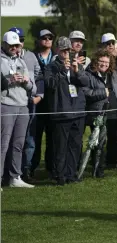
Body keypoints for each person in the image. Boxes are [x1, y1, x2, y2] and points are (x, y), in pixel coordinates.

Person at [44, 37, 89, 186]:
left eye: (68, 50)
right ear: (57, 50)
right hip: (61, 113)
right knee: (61, 147)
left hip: (78, 112)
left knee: (75, 146)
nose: (66, 53)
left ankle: (71, 174)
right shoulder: (51, 67)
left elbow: (85, 83)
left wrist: (77, 71)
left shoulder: (76, 64)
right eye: (63, 50)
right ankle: (60, 175)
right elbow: (50, 84)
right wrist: (63, 70)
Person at [83, 49, 117, 176]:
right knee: (99, 143)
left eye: (107, 62)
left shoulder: (116, 75)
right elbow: (85, 92)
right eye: (101, 61)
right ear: (96, 61)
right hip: (99, 114)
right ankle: (98, 170)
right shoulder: (88, 75)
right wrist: (102, 93)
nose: (104, 64)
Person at [8, 27, 42, 181]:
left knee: (27, 139)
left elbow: (38, 79)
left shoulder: (29, 57)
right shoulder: (4, 58)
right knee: (6, 141)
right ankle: (7, 173)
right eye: (16, 41)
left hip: (28, 103)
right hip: (8, 104)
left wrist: (38, 95)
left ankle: (23, 171)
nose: (19, 44)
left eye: (21, 40)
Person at [1, 31, 34, 188]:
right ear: (5, 44)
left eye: (17, 45)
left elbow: (31, 87)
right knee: (3, 144)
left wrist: (26, 81)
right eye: (12, 45)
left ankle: (15, 177)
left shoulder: (22, 61)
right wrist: (9, 80)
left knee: (19, 144)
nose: (15, 48)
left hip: (23, 106)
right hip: (6, 105)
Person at [32, 29, 56, 177]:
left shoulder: (57, 57)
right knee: (35, 137)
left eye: (50, 38)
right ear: (39, 40)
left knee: (52, 137)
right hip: (36, 102)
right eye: (44, 38)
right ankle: (32, 167)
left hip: (53, 102)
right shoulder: (32, 56)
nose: (47, 40)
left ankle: (50, 166)